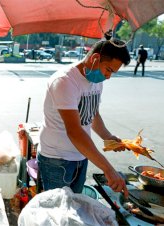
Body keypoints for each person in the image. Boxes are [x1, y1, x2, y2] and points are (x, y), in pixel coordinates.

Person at [37, 39, 131, 197]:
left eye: (112, 72)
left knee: (76, 206)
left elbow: (93, 114)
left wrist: (107, 137)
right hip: (56, 160)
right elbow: (74, 131)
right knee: (57, 212)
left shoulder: (96, 80)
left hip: (82, 155)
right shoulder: (65, 81)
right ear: (94, 59)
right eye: (108, 69)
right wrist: (108, 169)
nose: (108, 77)